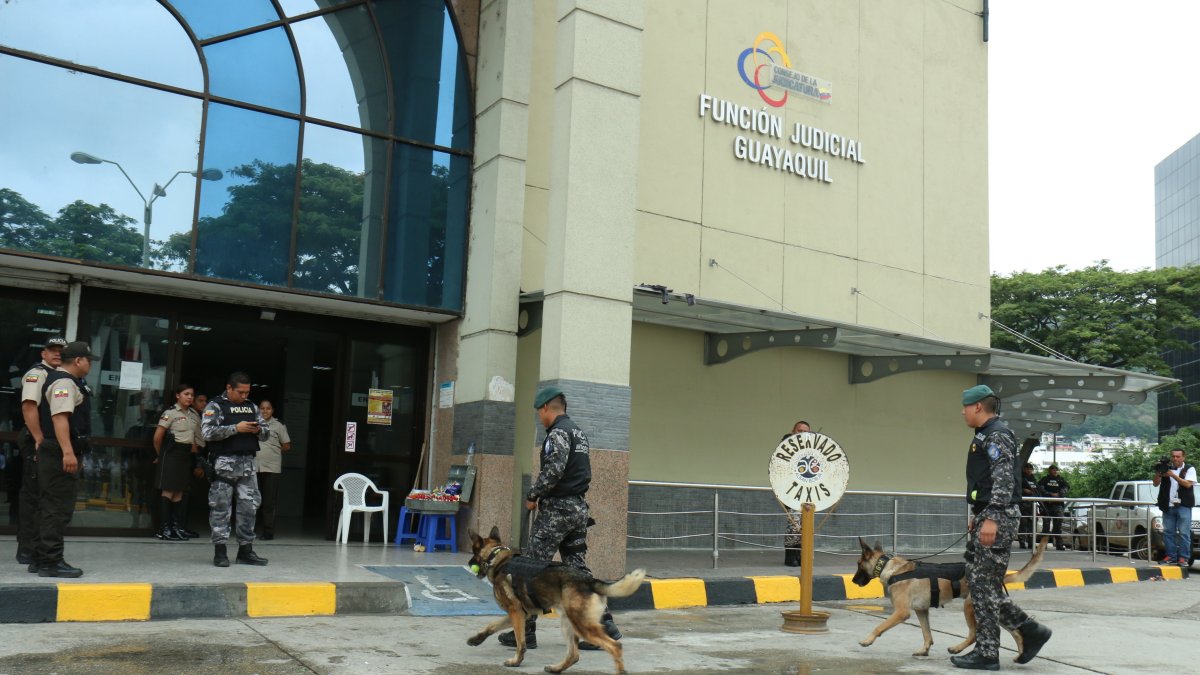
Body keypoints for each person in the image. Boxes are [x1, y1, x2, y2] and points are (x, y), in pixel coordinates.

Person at [498, 387, 622, 651]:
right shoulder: (578, 432)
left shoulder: (557, 433)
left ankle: (525, 633)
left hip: (557, 511)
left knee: (529, 568)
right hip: (577, 509)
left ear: (545, 408)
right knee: (577, 571)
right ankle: (603, 624)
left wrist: (534, 494)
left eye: (538, 413)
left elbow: (554, 470)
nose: (539, 418)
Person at [953, 384, 1050, 670]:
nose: (963, 412)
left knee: (983, 585)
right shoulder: (985, 434)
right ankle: (1030, 631)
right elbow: (985, 480)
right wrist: (979, 512)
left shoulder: (997, 434)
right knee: (982, 583)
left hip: (998, 516)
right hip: (988, 513)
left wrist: (992, 517)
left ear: (978, 407)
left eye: (965, 407)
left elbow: (1004, 479)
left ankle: (987, 653)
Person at [32, 341, 96, 578]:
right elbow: (60, 419)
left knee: (50, 505)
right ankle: (51, 561)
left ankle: (41, 558)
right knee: (57, 508)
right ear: (78, 361)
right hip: (59, 451)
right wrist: (68, 452)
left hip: (56, 450)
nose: (90, 364)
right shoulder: (64, 382)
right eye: (89, 360)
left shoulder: (67, 382)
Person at [202, 372, 270, 568]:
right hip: (224, 465)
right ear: (229, 388)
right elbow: (207, 433)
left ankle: (245, 551)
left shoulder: (251, 407)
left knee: (249, 508)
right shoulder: (215, 406)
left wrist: (257, 430)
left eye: (247, 392)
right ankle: (220, 551)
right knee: (221, 508)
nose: (244, 396)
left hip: (248, 465)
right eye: (240, 392)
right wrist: (235, 428)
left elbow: (266, 434)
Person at [15, 336, 66, 567]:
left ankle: (35, 548)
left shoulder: (58, 375)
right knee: (33, 497)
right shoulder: (38, 373)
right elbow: (28, 406)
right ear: (43, 354)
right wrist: (39, 439)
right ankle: (27, 549)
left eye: (61, 351)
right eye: (52, 350)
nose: (57, 354)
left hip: (46, 443)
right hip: (37, 441)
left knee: (44, 496)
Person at [152, 384, 199, 541]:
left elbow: (194, 438)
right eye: (186, 394)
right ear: (178, 395)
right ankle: (164, 529)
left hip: (185, 455)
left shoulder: (193, 414)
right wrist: (161, 455)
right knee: (168, 490)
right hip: (171, 453)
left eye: (192, 394)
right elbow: (157, 438)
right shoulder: (170, 413)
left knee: (179, 491)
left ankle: (176, 527)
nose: (190, 397)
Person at [255, 399, 291, 540]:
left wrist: (273, 451)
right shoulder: (253, 423)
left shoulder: (278, 425)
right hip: (254, 467)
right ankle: (249, 530)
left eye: (268, 408)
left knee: (268, 502)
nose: (265, 411)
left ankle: (268, 531)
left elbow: (287, 445)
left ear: (272, 410)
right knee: (252, 501)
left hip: (271, 468)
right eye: (262, 408)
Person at [1153, 448, 1195, 566]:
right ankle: (1170, 556)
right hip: (1168, 505)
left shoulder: (1189, 469)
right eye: (1173, 456)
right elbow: (1155, 483)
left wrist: (1173, 475)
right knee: (1168, 532)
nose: (1175, 459)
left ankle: (1183, 558)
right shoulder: (1166, 469)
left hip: (1184, 505)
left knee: (1184, 533)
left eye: (1178, 456)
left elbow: (1187, 484)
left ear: (1183, 457)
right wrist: (1158, 471)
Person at [781, 420, 811, 567]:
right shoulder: (787, 443)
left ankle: (800, 555)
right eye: (800, 431)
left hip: (808, 490)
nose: (803, 434)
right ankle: (790, 556)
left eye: (806, 432)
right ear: (793, 432)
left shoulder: (811, 448)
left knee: (806, 524)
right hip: (792, 490)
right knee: (794, 523)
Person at [1037, 464, 1070, 551]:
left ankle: (1059, 544)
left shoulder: (1061, 480)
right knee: (1046, 526)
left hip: (1058, 505)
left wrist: (1058, 495)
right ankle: (1043, 545)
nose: (1054, 471)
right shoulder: (1044, 479)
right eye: (1053, 469)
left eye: (1056, 469)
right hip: (1046, 506)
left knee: (1058, 526)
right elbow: (1040, 488)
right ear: (1049, 471)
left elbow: (1066, 488)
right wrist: (1050, 495)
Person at [1018, 463, 1039, 549]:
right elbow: (1016, 488)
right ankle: (1022, 542)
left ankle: (1031, 542)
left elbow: (1037, 489)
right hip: (1023, 503)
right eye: (1027, 468)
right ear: (1024, 469)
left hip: (1032, 504)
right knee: (1023, 523)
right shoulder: (1020, 478)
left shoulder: (1033, 479)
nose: (1029, 470)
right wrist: (1024, 490)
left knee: (1032, 523)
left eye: (1030, 469)